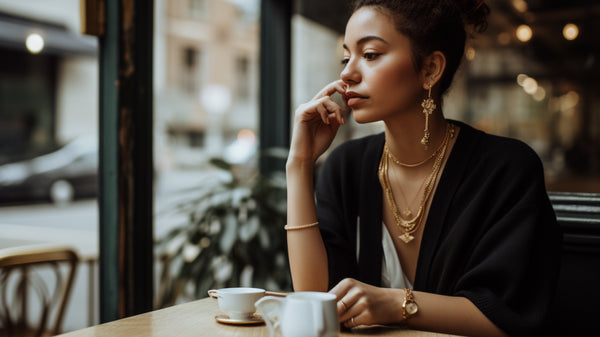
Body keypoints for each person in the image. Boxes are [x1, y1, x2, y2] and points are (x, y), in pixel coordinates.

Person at [284, 0, 561, 336]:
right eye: (346, 57)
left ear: (430, 69)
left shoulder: (506, 169)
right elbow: (314, 297)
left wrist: (396, 304)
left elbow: (505, 317)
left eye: (370, 54)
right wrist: (299, 165)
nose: (347, 73)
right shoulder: (346, 166)